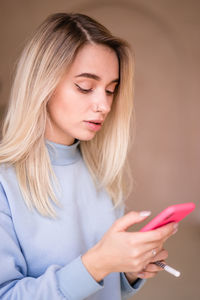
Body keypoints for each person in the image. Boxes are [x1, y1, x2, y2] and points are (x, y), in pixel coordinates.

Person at [0, 13, 177, 300]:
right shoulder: (4, 183)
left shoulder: (101, 173)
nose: (104, 105)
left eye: (111, 90)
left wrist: (129, 270)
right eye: (85, 87)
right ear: (42, 84)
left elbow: (105, 288)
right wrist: (98, 263)